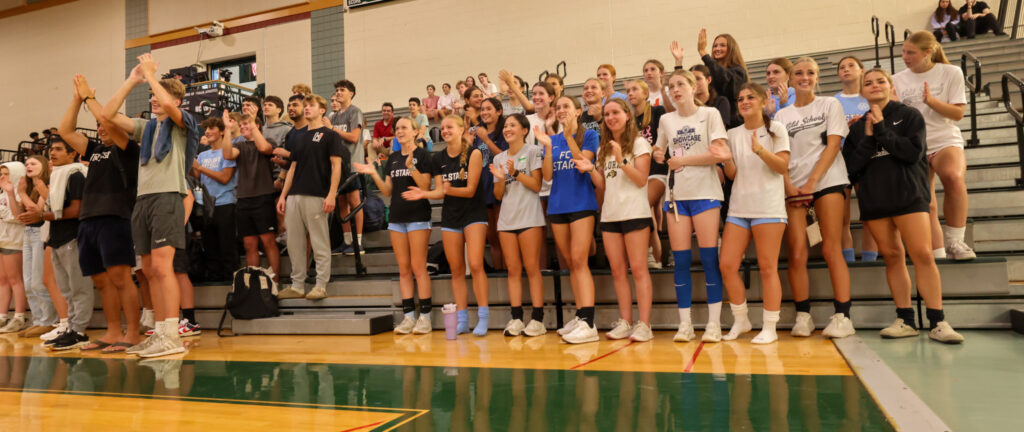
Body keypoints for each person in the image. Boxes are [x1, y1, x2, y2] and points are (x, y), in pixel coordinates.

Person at [844, 67, 964, 343]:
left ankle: (938, 321)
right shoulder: (856, 128)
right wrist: (870, 137)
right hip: (875, 200)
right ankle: (905, 319)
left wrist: (881, 129)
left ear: (890, 86)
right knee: (892, 256)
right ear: (862, 91)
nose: (875, 85)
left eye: (880, 81)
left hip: (909, 196)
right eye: (868, 83)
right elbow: (851, 168)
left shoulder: (909, 115)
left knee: (922, 254)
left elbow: (912, 153)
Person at [103, 53, 201, 358]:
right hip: (144, 200)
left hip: (168, 195)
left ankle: (171, 335)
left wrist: (151, 75)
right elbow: (107, 114)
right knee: (147, 269)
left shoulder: (184, 123)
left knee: (161, 266)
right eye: (152, 95)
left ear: (178, 100)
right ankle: (159, 331)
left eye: (159, 94)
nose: (154, 99)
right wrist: (133, 79)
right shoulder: (146, 127)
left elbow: (169, 106)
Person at [56, 75, 143, 352]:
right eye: (98, 126)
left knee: (120, 277)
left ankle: (133, 334)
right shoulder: (94, 150)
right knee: (102, 281)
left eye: (105, 124)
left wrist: (90, 98)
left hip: (115, 218)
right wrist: (76, 100)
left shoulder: (129, 149)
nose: (101, 128)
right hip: (88, 220)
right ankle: (113, 331)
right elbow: (65, 131)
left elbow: (107, 119)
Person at [775, 57, 855, 339]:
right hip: (795, 189)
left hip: (828, 181)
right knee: (797, 252)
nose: (804, 77)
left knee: (831, 248)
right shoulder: (781, 116)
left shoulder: (830, 105)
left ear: (817, 77)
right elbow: (779, 156)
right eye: (798, 73)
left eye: (810, 72)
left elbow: (834, 145)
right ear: (790, 79)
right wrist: (788, 185)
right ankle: (803, 315)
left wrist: (812, 182)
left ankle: (843, 316)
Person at [653, 69, 731, 343]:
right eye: (670, 86)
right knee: (681, 262)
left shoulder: (710, 114)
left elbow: (717, 154)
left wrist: (683, 161)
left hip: (705, 193)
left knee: (709, 260)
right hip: (677, 196)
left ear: (693, 87)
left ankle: (713, 324)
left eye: (680, 84)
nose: (675, 90)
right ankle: (685, 324)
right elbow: (659, 149)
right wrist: (658, 153)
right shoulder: (666, 119)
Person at [404, 115, 489, 336]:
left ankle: (483, 317)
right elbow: (440, 191)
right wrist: (424, 193)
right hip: (451, 217)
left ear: (461, 130)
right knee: (456, 270)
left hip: (474, 214)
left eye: (449, 127)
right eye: (442, 128)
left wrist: (449, 190)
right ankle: (462, 319)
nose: (445, 131)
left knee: (476, 265)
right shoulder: (438, 158)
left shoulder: (474, 153)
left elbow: (470, 190)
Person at [719, 83, 790, 344]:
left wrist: (760, 150)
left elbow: (782, 167)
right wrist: (726, 159)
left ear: (763, 100)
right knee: (727, 265)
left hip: (768, 207)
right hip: (739, 208)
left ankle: (770, 327)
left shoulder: (777, 129)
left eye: (750, 97)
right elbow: (732, 174)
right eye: (740, 99)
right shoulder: (732, 134)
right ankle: (742, 320)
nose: (744, 102)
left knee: (768, 267)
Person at [894, 32, 975, 260]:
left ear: (928, 52)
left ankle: (955, 241)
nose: (905, 57)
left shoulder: (951, 72)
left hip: (944, 139)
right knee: (925, 202)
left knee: (953, 176)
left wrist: (931, 101)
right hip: (914, 145)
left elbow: (958, 113)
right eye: (903, 52)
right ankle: (937, 252)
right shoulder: (897, 79)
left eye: (911, 53)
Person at [579, 99, 654, 342]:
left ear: (627, 115)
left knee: (639, 269)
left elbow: (641, 180)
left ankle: (645, 325)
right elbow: (603, 184)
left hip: (635, 213)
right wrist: (590, 169)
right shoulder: (604, 147)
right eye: (607, 114)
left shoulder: (640, 143)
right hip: (611, 215)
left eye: (616, 113)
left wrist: (622, 159)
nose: (611, 117)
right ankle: (626, 321)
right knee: (618, 271)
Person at [354, 117, 434, 335]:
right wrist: (373, 173)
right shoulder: (393, 158)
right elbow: (387, 191)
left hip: (418, 216)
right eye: (397, 128)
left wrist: (412, 168)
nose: (399, 131)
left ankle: (425, 317)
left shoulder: (423, 156)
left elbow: (426, 187)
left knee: (418, 267)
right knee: (404, 269)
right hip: (397, 218)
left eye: (404, 128)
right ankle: (408, 317)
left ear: (415, 132)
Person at [538, 95, 599, 344]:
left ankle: (589, 323)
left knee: (579, 260)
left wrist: (566, 136)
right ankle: (581, 314)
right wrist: (549, 147)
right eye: (559, 107)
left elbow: (582, 162)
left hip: (582, 204)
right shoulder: (552, 140)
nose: (561, 110)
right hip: (557, 206)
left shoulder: (590, 135)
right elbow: (547, 176)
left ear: (578, 111)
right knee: (571, 264)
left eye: (566, 106)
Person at [275, 95, 344, 301]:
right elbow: (292, 168)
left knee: (319, 241)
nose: (306, 108)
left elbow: (336, 166)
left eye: (311, 105)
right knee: (294, 243)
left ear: (322, 110)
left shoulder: (330, 135)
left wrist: (331, 194)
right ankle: (297, 285)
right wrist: (283, 196)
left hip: (317, 194)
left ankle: (321, 285)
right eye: (305, 106)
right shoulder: (300, 137)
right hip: (294, 195)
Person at [489, 114, 547, 337]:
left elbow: (536, 185)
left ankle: (538, 320)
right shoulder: (498, 158)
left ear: (524, 130)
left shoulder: (533, 151)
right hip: (507, 220)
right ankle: (516, 318)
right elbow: (498, 195)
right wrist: (501, 178)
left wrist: (514, 173)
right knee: (512, 271)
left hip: (529, 218)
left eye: (512, 125)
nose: (507, 129)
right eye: (505, 126)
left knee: (532, 268)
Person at [33, 137, 92, 351]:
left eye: (59, 149)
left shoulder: (76, 175)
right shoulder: (58, 175)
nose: (53, 153)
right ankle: (71, 328)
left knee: (79, 287)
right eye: (51, 149)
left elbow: (76, 210)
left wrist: (42, 215)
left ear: (73, 153)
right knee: (66, 289)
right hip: (56, 237)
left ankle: (79, 331)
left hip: (73, 236)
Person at [835, 56, 879, 263]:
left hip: (867, 161)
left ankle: (869, 262)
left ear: (862, 70)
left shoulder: (871, 97)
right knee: (842, 218)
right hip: (841, 161)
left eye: (851, 65)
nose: (846, 69)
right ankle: (848, 263)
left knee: (869, 214)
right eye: (842, 67)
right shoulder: (833, 101)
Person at [12, 155, 59, 339]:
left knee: (38, 281)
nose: (28, 166)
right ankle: (38, 320)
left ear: (44, 166)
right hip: (28, 233)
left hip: (41, 232)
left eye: (33, 163)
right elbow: (20, 216)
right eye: (27, 164)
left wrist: (22, 194)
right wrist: (12, 193)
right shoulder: (30, 187)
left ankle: (48, 321)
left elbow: (37, 213)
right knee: (29, 281)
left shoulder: (45, 184)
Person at [625, 80, 667, 270]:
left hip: (659, 171)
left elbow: (663, 140)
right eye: (628, 90)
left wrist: (647, 150)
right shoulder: (629, 120)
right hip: (640, 172)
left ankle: (652, 254)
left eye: (634, 89)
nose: (630, 93)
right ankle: (654, 257)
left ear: (645, 93)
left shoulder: (657, 112)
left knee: (641, 204)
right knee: (644, 210)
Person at [194, 114, 239, 282]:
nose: (207, 131)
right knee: (210, 246)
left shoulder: (227, 153)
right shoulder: (202, 155)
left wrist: (200, 168)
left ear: (221, 132)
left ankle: (230, 278)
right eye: (206, 128)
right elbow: (197, 178)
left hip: (225, 203)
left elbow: (225, 178)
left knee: (227, 245)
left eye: (211, 128)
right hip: (206, 206)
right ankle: (214, 277)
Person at [674, 30, 748, 127]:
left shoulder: (738, 71)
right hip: (707, 122)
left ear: (731, 48)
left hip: (732, 124)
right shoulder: (709, 70)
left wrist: (703, 53)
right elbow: (687, 83)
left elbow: (725, 79)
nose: (717, 48)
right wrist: (678, 63)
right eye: (715, 46)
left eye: (722, 45)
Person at [330, 80, 365, 255]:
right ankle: (347, 241)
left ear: (351, 93)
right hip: (338, 165)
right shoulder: (334, 116)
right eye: (337, 90)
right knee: (341, 203)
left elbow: (353, 137)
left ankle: (358, 242)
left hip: (352, 163)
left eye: (342, 89)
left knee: (354, 201)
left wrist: (332, 129)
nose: (338, 92)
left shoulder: (355, 111)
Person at [0, 162, 27, 334]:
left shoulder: (21, 194)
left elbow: (18, 217)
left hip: (14, 240)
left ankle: (19, 316)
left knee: (15, 279)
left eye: (7, 173)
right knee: (2, 280)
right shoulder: (2, 194)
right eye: (1, 174)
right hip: (2, 239)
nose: (3, 177)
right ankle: (2, 316)